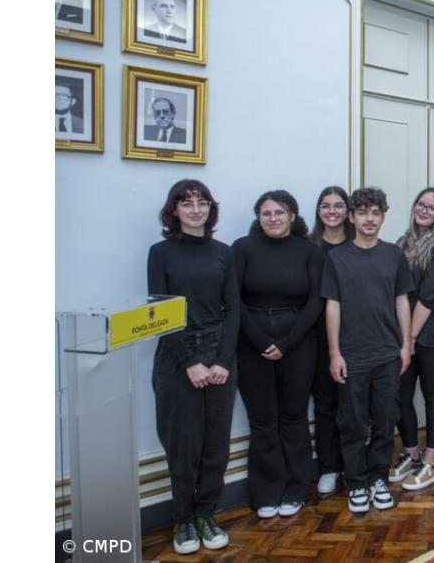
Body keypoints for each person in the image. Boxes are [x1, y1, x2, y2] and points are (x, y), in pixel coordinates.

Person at [147, 179, 237, 554]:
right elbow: (160, 314)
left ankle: (206, 514)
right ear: (175, 210)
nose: (195, 209)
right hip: (177, 359)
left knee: (215, 445)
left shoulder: (224, 252)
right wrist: (191, 363)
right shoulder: (160, 252)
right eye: (187, 203)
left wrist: (221, 361)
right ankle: (183, 520)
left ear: (210, 209)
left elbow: (233, 310)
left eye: (202, 202)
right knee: (182, 446)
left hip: (219, 359)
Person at [232, 190, 323, 519]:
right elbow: (234, 300)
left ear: (293, 216)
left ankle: (296, 488)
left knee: (294, 417)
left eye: (280, 212)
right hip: (250, 344)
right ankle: (266, 491)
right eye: (266, 213)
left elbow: (316, 301)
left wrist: (286, 343)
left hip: (298, 344)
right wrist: (259, 341)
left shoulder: (309, 251)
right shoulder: (242, 248)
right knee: (263, 420)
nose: (273, 219)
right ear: (258, 217)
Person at [322, 187, 413, 514]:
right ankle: (357, 482)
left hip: (388, 355)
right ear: (352, 217)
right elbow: (333, 306)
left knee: (384, 421)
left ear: (383, 216)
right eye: (363, 213)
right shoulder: (337, 257)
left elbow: (402, 300)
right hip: (352, 357)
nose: (369, 219)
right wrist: (335, 353)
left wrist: (406, 345)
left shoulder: (394, 255)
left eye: (375, 212)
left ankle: (377, 478)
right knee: (354, 424)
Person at [390, 187, 434, 490]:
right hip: (405, 332)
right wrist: (404, 337)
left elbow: (430, 295)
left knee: (432, 396)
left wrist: (411, 336)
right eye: (421, 204)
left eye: (432, 208)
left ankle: (432, 462)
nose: (425, 211)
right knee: (400, 396)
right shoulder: (401, 243)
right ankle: (411, 453)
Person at [308, 186, 355, 496]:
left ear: (348, 211)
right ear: (319, 211)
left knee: (353, 406)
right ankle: (329, 466)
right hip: (316, 339)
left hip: (355, 337)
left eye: (339, 205)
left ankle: (354, 464)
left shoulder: (358, 245)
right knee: (325, 405)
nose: (332, 211)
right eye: (326, 206)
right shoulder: (308, 247)